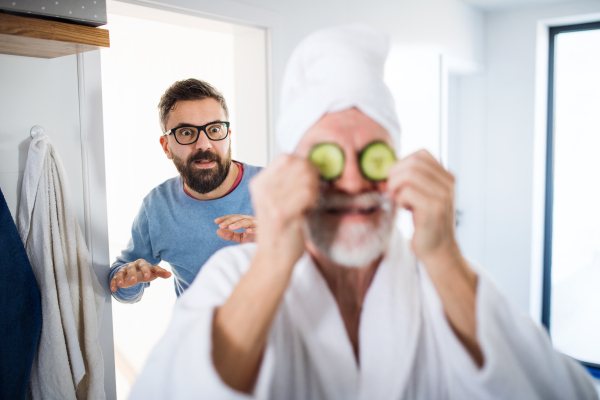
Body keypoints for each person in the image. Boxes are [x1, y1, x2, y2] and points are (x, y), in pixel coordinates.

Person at [128, 26, 598, 399]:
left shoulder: (447, 280)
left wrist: (444, 256)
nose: (352, 182)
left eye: (372, 155)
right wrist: (273, 260)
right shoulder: (234, 276)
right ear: (292, 169)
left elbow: (562, 391)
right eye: (327, 159)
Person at [109, 79, 261, 303]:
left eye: (215, 129)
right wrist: (127, 281)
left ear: (228, 136)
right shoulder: (157, 207)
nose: (203, 144)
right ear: (166, 146)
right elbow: (122, 283)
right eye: (187, 132)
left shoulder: (279, 187)